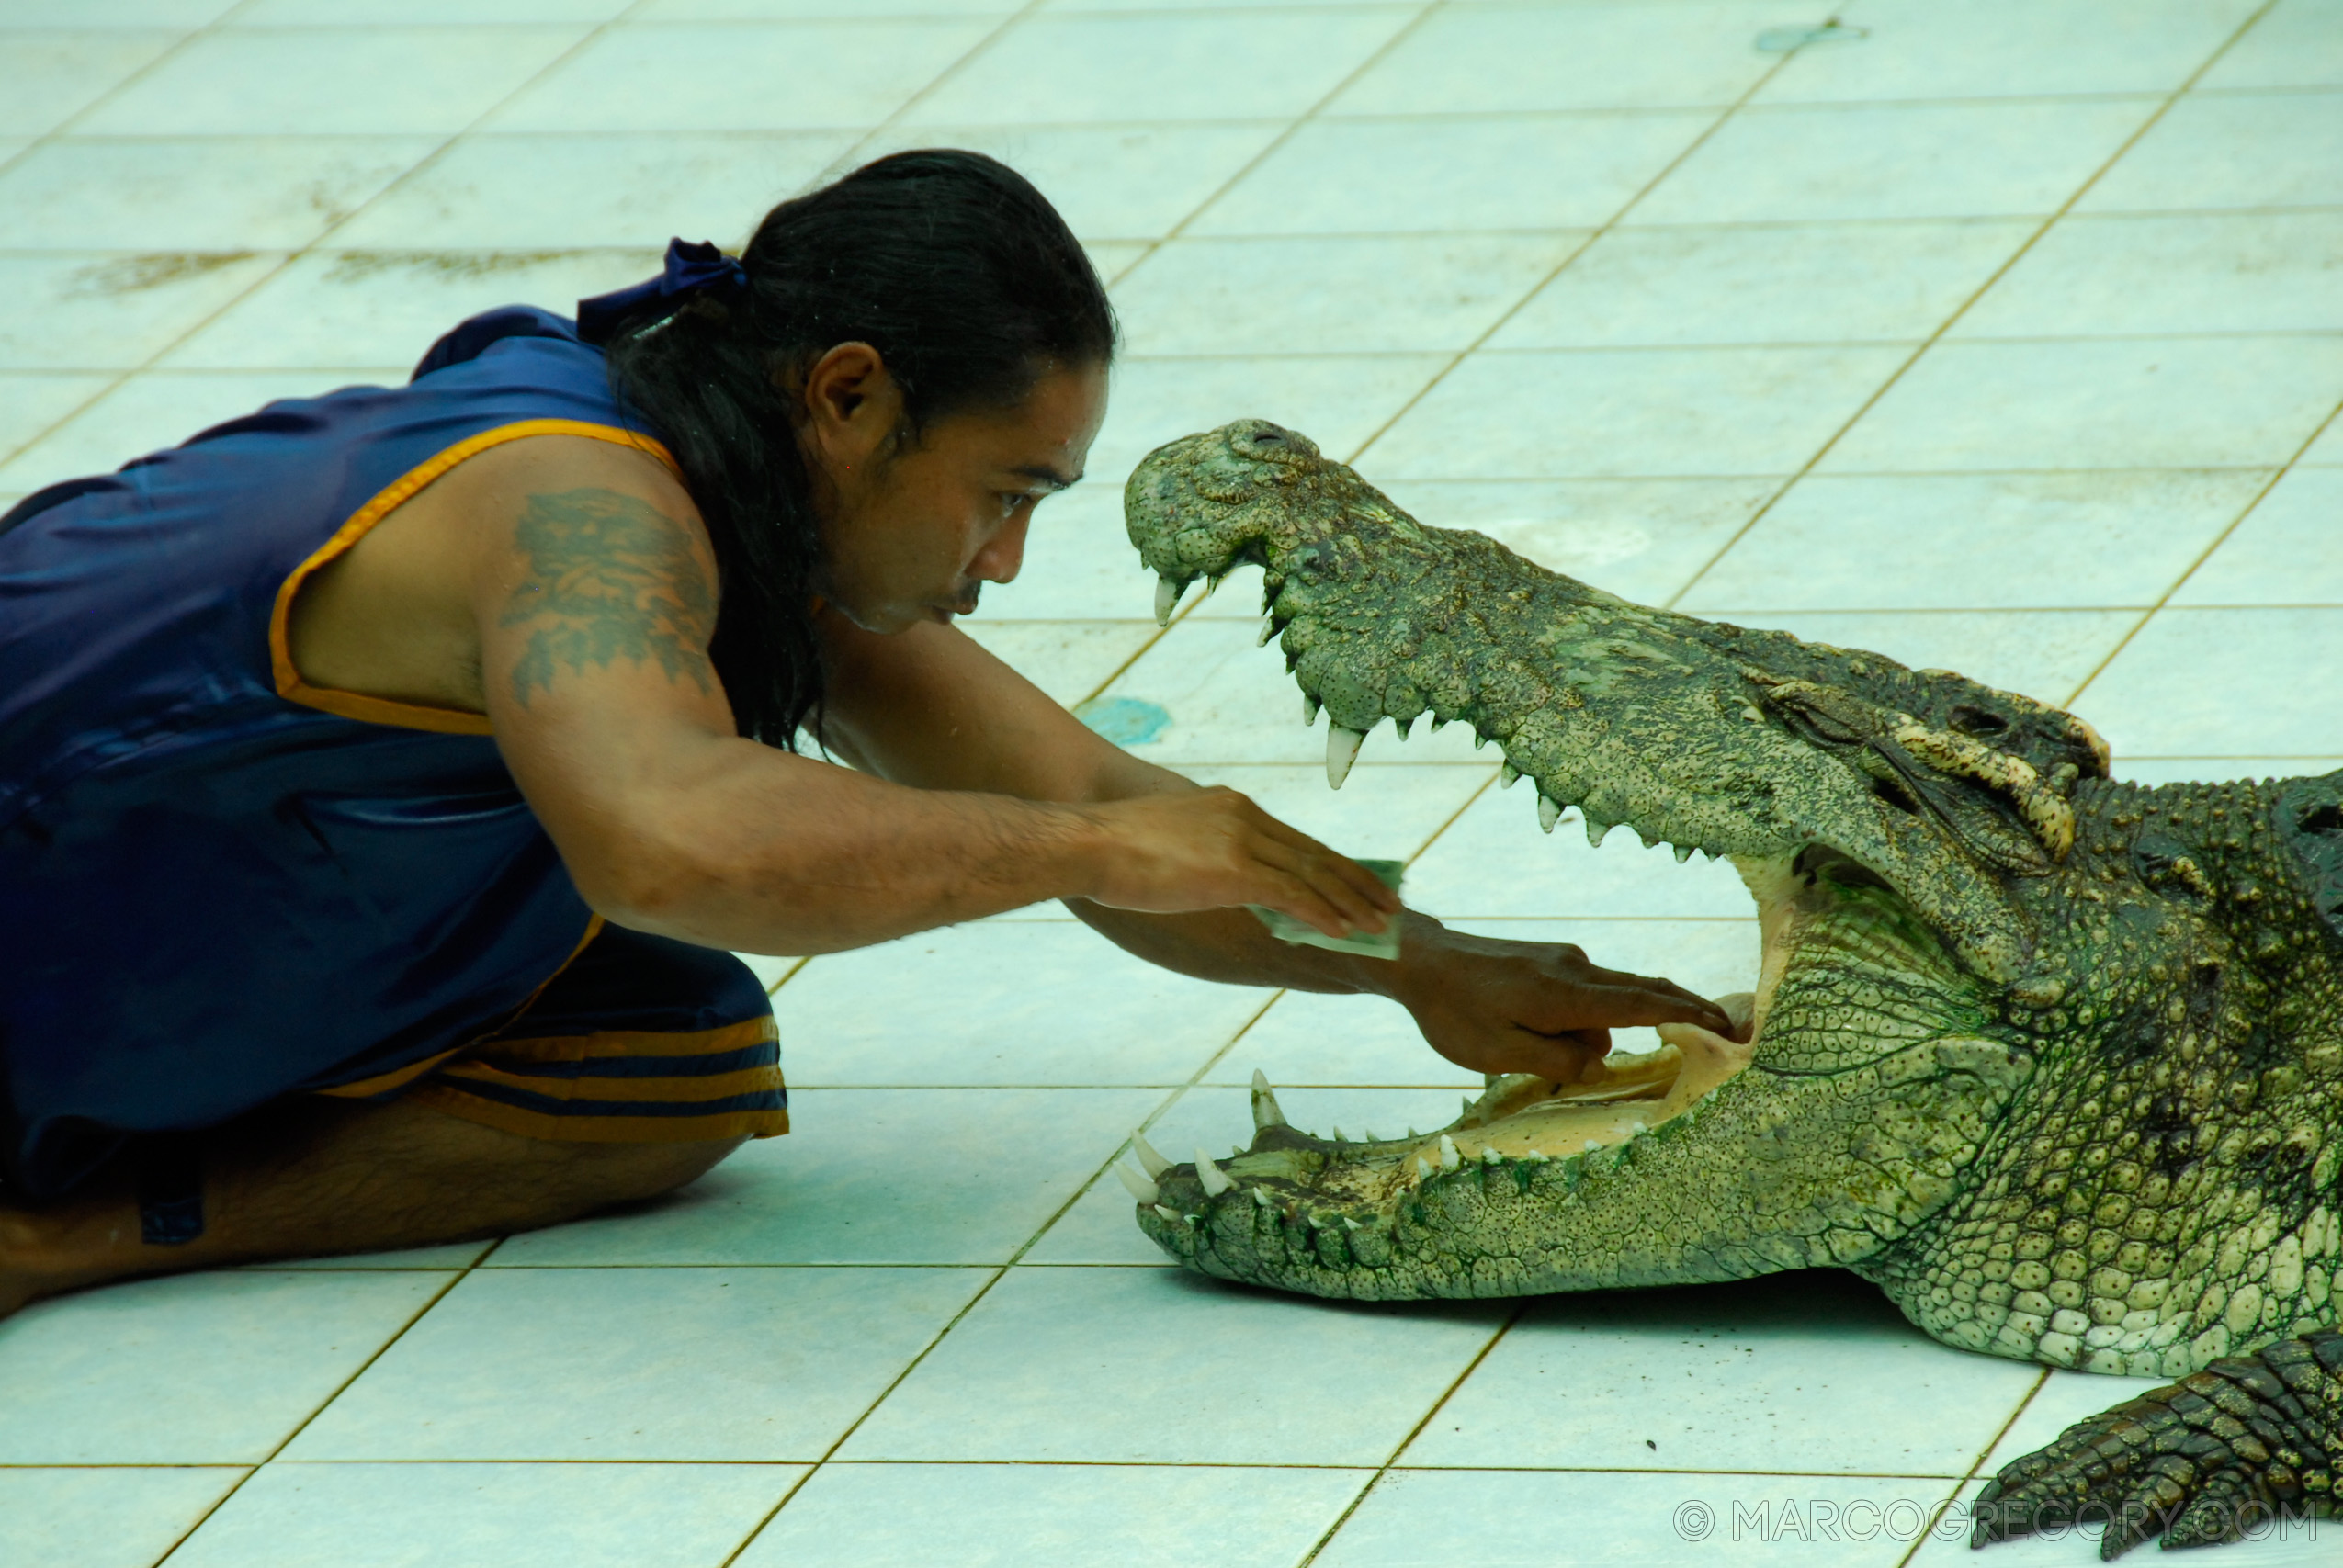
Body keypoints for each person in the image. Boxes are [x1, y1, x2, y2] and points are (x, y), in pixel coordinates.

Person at [0, 151, 1728, 1316]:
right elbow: (666, 837)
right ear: (846, 396)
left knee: (671, 1072)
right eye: (1004, 493)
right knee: (658, 925)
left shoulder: (745, 488)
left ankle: (66, 1232)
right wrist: (1094, 849)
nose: (1005, 559)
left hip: (173, 884)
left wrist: (1419, 961)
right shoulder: (577, 512)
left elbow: (1088, 784)